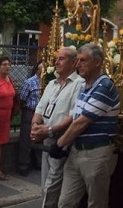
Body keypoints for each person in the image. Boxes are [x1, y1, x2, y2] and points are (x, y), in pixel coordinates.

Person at [54, 43, 120, 208]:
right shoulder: (83, 86)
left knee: (96, 203)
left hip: (95, 153)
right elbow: (75, 117)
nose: (78, 65)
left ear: (97, 62)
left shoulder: (104, 86)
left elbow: (82, 122)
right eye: (77, 60)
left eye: (83, 60)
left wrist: (59, 143)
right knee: (65, 203)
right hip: (76, 151)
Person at [30, 47, 83, 208]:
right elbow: (39, 108)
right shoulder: (52, 83)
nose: (56, 62)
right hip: (45, 138)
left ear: (74, 63)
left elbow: (74, 115)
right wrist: (34, 127)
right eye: (57, 58)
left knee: (53, 181)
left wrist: (50, 130)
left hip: (62, 139)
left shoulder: (79, 84)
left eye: (61, 58)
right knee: (45, 180)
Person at [17, 62, 43, 176]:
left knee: (40, 137)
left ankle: (39, 163)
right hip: (30, 111)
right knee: (26, 138)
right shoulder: (29, 82)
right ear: (38, 69)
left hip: (43, 113)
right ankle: (23, 164)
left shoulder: (50, 82)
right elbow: (22, 99)